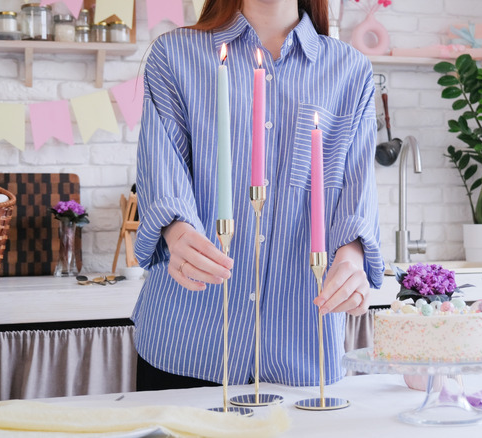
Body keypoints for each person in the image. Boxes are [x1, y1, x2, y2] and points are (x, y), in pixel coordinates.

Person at [133, 0, 384, 390]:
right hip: (186, 341)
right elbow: (161, 169)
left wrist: (352, 259)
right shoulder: (175, 55)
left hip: (302, 348)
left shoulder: (350, 71)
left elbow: (357, 189)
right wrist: (178, 233)